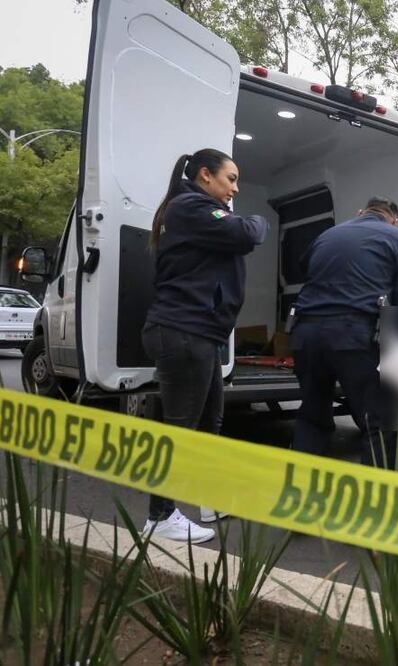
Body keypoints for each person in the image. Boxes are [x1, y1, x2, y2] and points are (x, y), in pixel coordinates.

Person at [142, 149, 269, 543]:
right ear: (204, 175)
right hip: (183, 330)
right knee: (181, 428)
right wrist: (260, 217)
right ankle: (159, 517)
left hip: (200, 333)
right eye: (230, 179)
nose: (234, 187)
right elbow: (247, 233)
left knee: (210, 420)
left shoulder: (196, 209)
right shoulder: (190, 207)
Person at [290, 197, 398, 468]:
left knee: (312, 417)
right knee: (379, 422)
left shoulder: (327, 235)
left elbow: (304, 268)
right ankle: (375, 503)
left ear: (361, 212)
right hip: (355, 336)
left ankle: (300, 491)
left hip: (307, 335)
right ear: (393, 219)